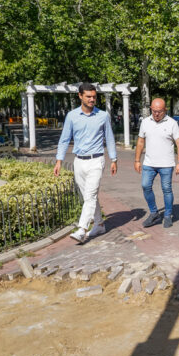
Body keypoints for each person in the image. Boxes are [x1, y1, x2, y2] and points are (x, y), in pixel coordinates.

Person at [54, 82, 117, 243]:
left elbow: (109, 138)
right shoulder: (72, 116)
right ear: (80, 96)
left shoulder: (103, 116)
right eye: (88, 96)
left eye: (94, 97)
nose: (92, 99)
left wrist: (113, 159)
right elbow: (64, 139)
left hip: (96, 160)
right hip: (79, 162)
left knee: (90, 195)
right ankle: (100, 224)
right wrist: (59, 161)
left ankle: (82, 229)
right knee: (88, 196)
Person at [134, 98, 179, 228]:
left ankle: (167, 215)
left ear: (165, 110)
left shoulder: (172, 123)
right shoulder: (145, 122)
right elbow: (140, 142)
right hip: (149, 163)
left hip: (166, 164)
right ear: (151, 109)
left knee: (166, 189)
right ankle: (154, 213)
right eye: (154, 111)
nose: (156, 114)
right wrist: (137, 160)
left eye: (159, 112)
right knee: (145, 186)